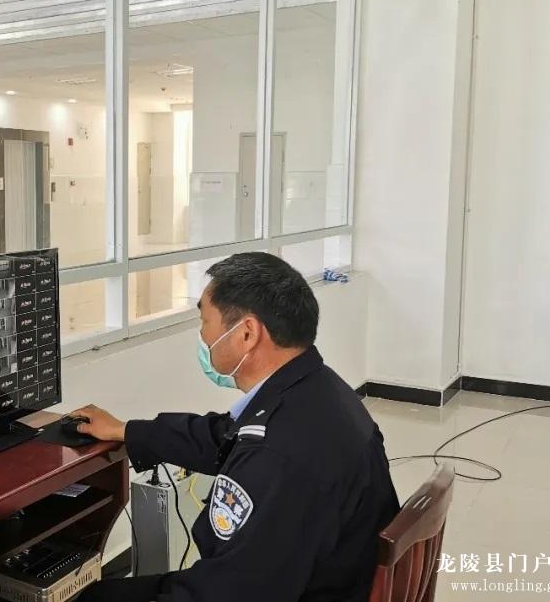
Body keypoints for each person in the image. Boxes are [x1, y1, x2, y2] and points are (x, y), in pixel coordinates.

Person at [73, 252, 400, 602]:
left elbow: (231, 592)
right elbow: (222, 437)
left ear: (246, 333)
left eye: (205, 321)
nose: (202, 335)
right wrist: (126, 430)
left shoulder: (277, 454)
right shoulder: (314, 389)